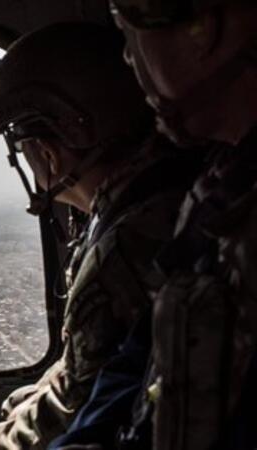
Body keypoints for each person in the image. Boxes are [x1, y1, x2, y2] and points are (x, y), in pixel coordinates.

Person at [0, 23, 202, 450]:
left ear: (48, 153)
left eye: (23, 147)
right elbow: (83, 368)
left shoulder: (123, 248)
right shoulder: (166, 196)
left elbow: (75, 407)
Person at [100, 1, 257, 449]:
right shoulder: (219, 185)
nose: (128, 57)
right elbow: (141, 355)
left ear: (205, 27)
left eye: (127, 30)